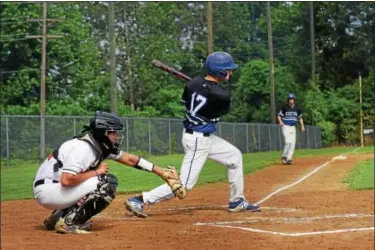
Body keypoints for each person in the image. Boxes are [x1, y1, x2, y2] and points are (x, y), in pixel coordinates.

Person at [125, 51, 260, 218]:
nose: (230, 72)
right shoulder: (222, 95)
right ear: (219, 72)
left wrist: (202, 86)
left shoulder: (193, 84)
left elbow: (189, 97)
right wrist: (208, 89)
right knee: (184, 185)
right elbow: (221, 107)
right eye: (227, 70)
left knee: (234, 157)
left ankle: (237, 201)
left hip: (203, 137)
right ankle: (139, 200)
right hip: (197, 141)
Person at [33, 111, 182, 234]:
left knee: (95, 180)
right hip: (51, 191)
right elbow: (67, 180)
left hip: (52, 189)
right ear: (103, 133)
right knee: (106, 183)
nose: (116, 137)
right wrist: (96, 172)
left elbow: (130, 159)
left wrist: (161, 172)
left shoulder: (95, 145)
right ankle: (70, 222)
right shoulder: (83, 148)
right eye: (113, 133)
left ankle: (58, 216)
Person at [277, 93, 305, 165]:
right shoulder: (284, 107)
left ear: (294, 100)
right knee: (288, 141)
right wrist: (280, 121)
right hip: (285, 126)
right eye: (290, 99)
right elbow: (279, 115)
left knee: (292, 143)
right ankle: (284, 156)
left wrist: (302, 126)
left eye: (292, 99)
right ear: (288, 100)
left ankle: (289, 158)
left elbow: (300, 118)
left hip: (293, 127)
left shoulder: (297, 108)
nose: (291, 100)